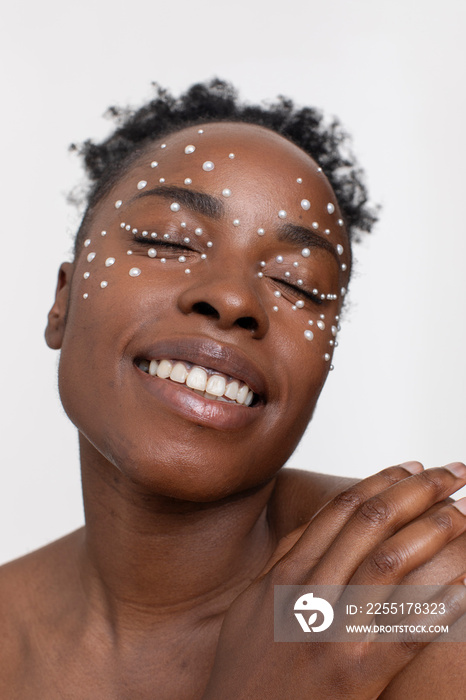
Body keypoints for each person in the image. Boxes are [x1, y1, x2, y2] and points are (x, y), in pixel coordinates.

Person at [1, 79, 465, 699]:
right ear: (62, 301)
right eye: (168, 241)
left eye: (299, 284)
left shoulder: (405, 598)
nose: (231, 299)